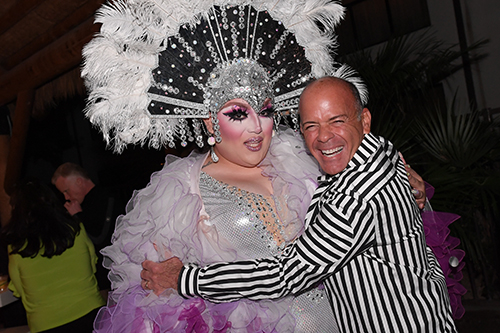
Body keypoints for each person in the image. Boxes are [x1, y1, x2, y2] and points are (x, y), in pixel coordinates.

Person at [81, 1, 428, 332]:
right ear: (209, 122)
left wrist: (406, 188)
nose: (256, 127)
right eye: (236, 113)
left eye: (264, 110)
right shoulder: (179, 196)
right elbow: (159, 304)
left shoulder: (305, 159)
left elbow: (292, 270)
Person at [142, 77, 457, 332]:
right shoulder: (376, 157)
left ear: (365, 120)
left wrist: (185, 278)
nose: (324, 137)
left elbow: (288, 273)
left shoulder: (357, 193)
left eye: (336, 121)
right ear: (210, 123)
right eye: (311, 126)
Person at [1, 179, 105, 332]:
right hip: (91, 316)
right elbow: (92, 262)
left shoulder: (16, 247)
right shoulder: (75, 229)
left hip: (47, 325)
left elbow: (18, 289)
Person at [51, 162, 124, 293]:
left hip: (116, 280)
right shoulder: (83, 204)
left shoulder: (105, 198)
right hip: (101, 281)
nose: (66, 198)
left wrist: (78, 217)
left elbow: (100, 239)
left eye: (66, 191)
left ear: (79, 182)